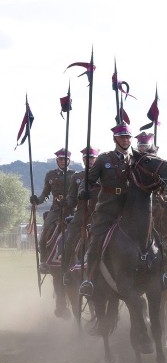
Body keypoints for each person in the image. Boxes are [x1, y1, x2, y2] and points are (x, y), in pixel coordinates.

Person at [79, 124, 135, 296]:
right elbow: (88, 179)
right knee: (96, 241)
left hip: (130, 208)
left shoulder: (136, 159)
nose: (125, 140)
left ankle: (159, 273)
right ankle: (89, 279)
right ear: (115, 139)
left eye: (128, 137)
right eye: (122, 137)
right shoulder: (104, 159)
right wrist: (84, 189)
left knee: (153, 234)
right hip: (107, 208)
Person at [31, 148, 75, 273]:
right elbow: (45, 193)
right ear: (57, 160)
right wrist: (36, 200)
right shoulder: (50, 175)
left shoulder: (75, 175)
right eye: (60, 159)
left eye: (65, 159)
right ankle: (44, 261)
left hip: (72, 209)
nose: (63, 161)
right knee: (44, 232)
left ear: (69, 161)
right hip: (55, 210)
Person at [63, 147, 100, 277]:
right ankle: (66, 271)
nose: (89, 160)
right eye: (87, 158)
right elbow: (71, 197)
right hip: (82, 214)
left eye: (92, 158)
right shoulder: (77, 176)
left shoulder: (103, 176)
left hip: (100, 214)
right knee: (69, 238)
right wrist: (66, 202)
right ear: (83, 159)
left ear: (96, 159)